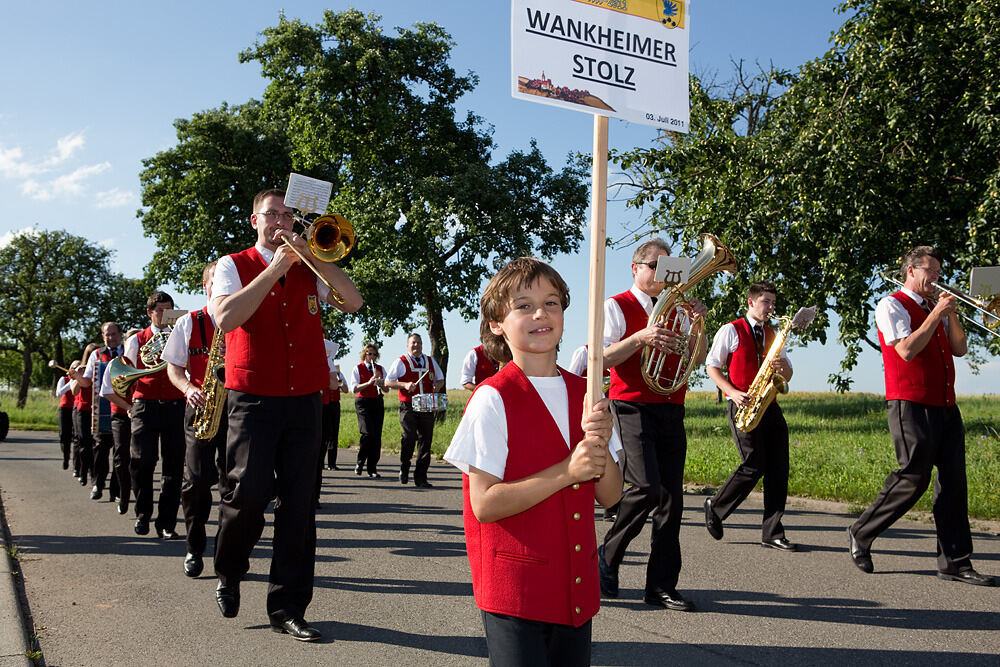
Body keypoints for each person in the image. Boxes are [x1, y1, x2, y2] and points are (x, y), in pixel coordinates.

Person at [444, 257, 622, 666]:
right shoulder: (492, 397)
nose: (541, 313)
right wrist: (566, 473)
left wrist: (601, 443)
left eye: (552, 302)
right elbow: (484, 504)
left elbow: (611, 495)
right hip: (516, 592)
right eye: (523, 305)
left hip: (575, 592)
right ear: (496, 324)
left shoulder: (587, 391)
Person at [210, 188, 362, 640]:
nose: (280, 222)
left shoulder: (309, 266)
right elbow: (225, 318)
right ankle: (230, 571)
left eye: (288, 216)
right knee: (247, 495)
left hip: (303, 400)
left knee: (299, 507)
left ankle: (288, 607)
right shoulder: (231, 265)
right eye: (272, 215)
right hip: (253, 399)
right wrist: (276, 267)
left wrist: (313, 257)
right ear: (254, 221)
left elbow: (352, 301)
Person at [848, 246, 995, 586]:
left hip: (945, 404)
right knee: (913, 477)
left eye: (939, 272)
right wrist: (936, 313)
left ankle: (955, 562)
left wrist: (952, 314)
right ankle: (860, 530)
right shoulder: (892, 304)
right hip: (910, 402)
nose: (936, 278)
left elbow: (959, 349)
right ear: (911, 271)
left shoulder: (936, 308)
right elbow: (906, 350)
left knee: (955, 481)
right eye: (930, 270)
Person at [597, 238, 706, 612]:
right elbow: (603, 356)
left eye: (668, 268)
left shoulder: (678, 310)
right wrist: (641, 336)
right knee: (645, 487)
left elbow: (697, 357)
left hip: (672, 404)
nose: (664, 275)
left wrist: (699, 325)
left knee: (672, 500)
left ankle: (660, 585)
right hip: (632, 403)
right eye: (656, 267)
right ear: (636, 269)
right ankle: (607, 555)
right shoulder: (616, 305)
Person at [703, 282, 797, 551]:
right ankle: (716, 506)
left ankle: (773, 532)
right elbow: (712, 366)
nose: (771, 307)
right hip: (743, 403)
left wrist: (783, 368)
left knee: (779, 468)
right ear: (751, 302)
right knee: (754, 463)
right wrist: (732, 392)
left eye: (773, 303)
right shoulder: (730, 330)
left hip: (770, 404)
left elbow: (788, 374)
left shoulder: (774, 333)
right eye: (766, 302)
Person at [163, 261, 229, 579]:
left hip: (238, 409)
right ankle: (194, 546)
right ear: (207, 286)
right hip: (201, 405)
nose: (226, 286)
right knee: (197, 482)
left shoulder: (243, 319)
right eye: (219, 281)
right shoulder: (189, 322)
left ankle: (229, 552)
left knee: (240, 486)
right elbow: (174, 368)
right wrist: (188, 388)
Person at [122, 291, 186, 539]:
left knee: (173, 467)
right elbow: (126, 371)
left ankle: (167, 523)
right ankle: (142, 514)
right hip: (145, 405)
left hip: (174, 405)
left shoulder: (179, 335)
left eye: (169, 309)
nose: (164, 314)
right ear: (150, 313)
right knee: (141, 462)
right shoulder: (137, 339)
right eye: (159, 310)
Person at [384, 333, 445, 488]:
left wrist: (436, 387)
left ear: (422, 344)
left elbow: (440, 379)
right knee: (409, 437)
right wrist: (404, 385)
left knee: (426, 440)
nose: (416, 345)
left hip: (426, 405)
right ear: (407, 345)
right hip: (408, 406)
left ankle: (421, 477)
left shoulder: (430, 361)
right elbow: (388, 382)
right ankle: (404, 467)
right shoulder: (401, 361)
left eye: (418, 342)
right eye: (413, 343)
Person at [77, 322, 125, 502]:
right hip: (102, 409)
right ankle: (98, 483)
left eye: (113, 334)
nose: (110, 338)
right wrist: (77, 378)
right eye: (107, 335)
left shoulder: (127, 351)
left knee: (121, 452)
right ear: (102, 336)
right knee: (100, 449)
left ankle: (117, 488)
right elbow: (87, 382)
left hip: (121, 408)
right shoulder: (96, 355)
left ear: (120, 334)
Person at [350, 343, 386, 478]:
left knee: (376, 436)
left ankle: (372, 468)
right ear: (365, 354)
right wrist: (369, 383)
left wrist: (381, 383)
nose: (371, 356)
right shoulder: (357, 368)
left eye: (374, 354)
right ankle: (360, 462)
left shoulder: (380, 369)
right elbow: (354, 388)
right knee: (367, 433)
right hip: (363, 402)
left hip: (377, 401)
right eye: (369, 353)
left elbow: (387, 389)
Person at [68, 343, 100, 488]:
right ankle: (83, 470)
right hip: (83, 409)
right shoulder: (82, 369)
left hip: (98, 409)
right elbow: (74, 391)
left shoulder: (102, 367)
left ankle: (95, 476)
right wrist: (78, 376)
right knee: (84, 443)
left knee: (97, 445)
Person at [55, 362, 78, 470]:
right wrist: (71, 382)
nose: (76, 370)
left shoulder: (82, 380)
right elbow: (58, 393)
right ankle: (66, 456)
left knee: (77, 437)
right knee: (64, 434)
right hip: (65, 409)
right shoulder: (64, 379)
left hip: (77, 409)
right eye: (74, 368)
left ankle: (77, 462)